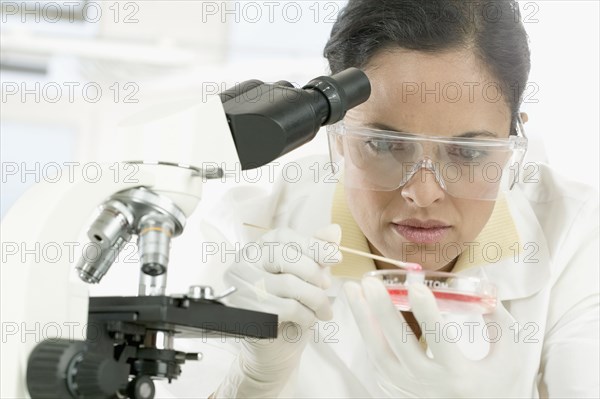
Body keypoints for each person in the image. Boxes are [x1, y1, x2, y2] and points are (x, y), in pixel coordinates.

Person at [183, 0, 599, 397]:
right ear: (339, 137)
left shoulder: (576, 234)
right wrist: (250, 384)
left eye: (469, 152)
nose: (422, 193)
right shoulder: (253, 235)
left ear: (513, 139)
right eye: (384, 146)